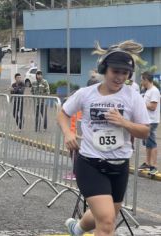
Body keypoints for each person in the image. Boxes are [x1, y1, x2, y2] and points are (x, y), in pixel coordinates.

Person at [58, 40, 150, 236]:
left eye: (124, 73)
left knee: (105, 216)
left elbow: (144, 131)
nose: (119, 77)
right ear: (104, 69)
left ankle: (77, 227)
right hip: (90, 163)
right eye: (115, 71)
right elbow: (63, 113)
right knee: (107, 222)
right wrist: (68, 133)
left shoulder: (133, 96)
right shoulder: (86, 94)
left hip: (119, 165)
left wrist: (124, 122)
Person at [138, 71, 160, 175]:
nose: (141, 82)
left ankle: (154, 166)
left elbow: (153, 106)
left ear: (146, 80)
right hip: (146, 121)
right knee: (147, 144)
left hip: (152, 121)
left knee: (152, 143)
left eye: (142, 79)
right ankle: (147, 163)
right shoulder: (147, 91)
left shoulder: (154, 91)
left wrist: (141, 103)